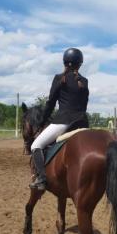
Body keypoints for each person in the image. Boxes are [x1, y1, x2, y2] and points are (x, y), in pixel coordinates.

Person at [30, 48, 89, 190]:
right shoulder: (84, 81)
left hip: (63, 122)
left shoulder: (59, 78)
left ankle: (42, 179)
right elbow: (84, 105)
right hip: (82, 123)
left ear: (64, 62)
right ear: (80, 64)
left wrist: (42, 122)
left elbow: (50, 103)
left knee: (35, 146)